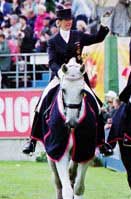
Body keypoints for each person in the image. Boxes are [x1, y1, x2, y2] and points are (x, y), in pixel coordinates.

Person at [22, 6, 113, 155]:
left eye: (69, 19)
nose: (68, 22)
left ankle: (102, 143)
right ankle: (31, 140)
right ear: (58, 22)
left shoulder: (78, 35)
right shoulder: (53, 41)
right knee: (41, 103)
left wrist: (104, 25)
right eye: (64, 20)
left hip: (78, 77)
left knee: (97, 105)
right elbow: (52, 62)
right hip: (60, 77)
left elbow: (97, 38)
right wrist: (60, 73)